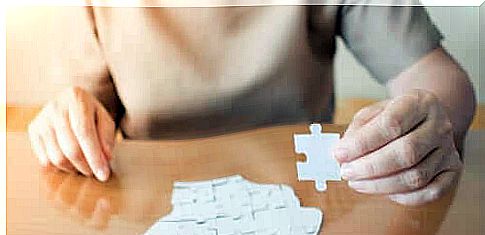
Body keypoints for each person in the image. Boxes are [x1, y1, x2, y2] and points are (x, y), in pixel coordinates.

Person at [26, 3, 476, 206]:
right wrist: (64, 122)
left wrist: (432, 117)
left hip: (303, 209)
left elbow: (438, 77)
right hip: (149, 212)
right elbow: (79, 110)